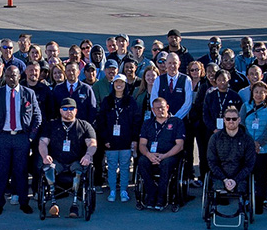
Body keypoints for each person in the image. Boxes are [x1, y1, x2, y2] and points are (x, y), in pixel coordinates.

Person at [0, 65, 41, 215]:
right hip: (2, 137)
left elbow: (37, 117)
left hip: (21, 137)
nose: (11, 79)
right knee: (2, 172)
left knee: (21, 171)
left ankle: (24, 202)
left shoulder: (28, 94)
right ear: (5, 76)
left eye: (14, 76)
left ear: (19, 76)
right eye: (8, 76)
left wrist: (30, 137)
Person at [37, 98, 97, 218]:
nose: (68, 111)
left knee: (79, 172)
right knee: (49, 168)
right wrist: (45, 155)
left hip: (76, 160)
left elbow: (92, 144)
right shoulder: (51, 125)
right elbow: (42, 143)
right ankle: (53, 202)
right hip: (57, 160)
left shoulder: (84, 126)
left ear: (76, 111)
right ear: (60, 110)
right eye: (65, 109)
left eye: (71, 109)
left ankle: (74, 204)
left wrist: (88, 155)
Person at [96, 73, 140, 202]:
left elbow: (136, 121)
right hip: (111, 140)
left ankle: (124, 190)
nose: (119, 85)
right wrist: (105, 139)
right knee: (112, 165)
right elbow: (101, 121)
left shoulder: (131, 101)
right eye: (116, 82)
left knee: (125, 166)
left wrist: (134, 139)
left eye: (121, 83)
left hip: (126, 139)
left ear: (125, 85)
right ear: (113, 84)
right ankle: (113, 190)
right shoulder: (107, 101)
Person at [136, 98, 186, 210]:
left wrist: (164, 156)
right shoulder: (147, 123)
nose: (160, 110)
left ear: (167, 107)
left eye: (162, 107)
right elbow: (142, 144)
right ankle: (151, 192)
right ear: (153, 110)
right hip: (151, 155)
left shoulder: (177, 122)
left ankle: (161, 196)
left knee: (166, 164)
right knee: (142, 161)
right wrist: (149, 155)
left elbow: (180, 145)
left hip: (169, 155)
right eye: (157, 108)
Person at [241, 81, 267, 214]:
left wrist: (259, 142)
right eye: (256, 92)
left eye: (262, 92)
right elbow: (241, 124)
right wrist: (251, 142)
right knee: (247, 173)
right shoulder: (245, 106)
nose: (259, 95)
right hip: (248, 147)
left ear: (266, 94)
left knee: (261, 176)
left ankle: (260, 201)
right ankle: (246, 198)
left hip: (264, 148)